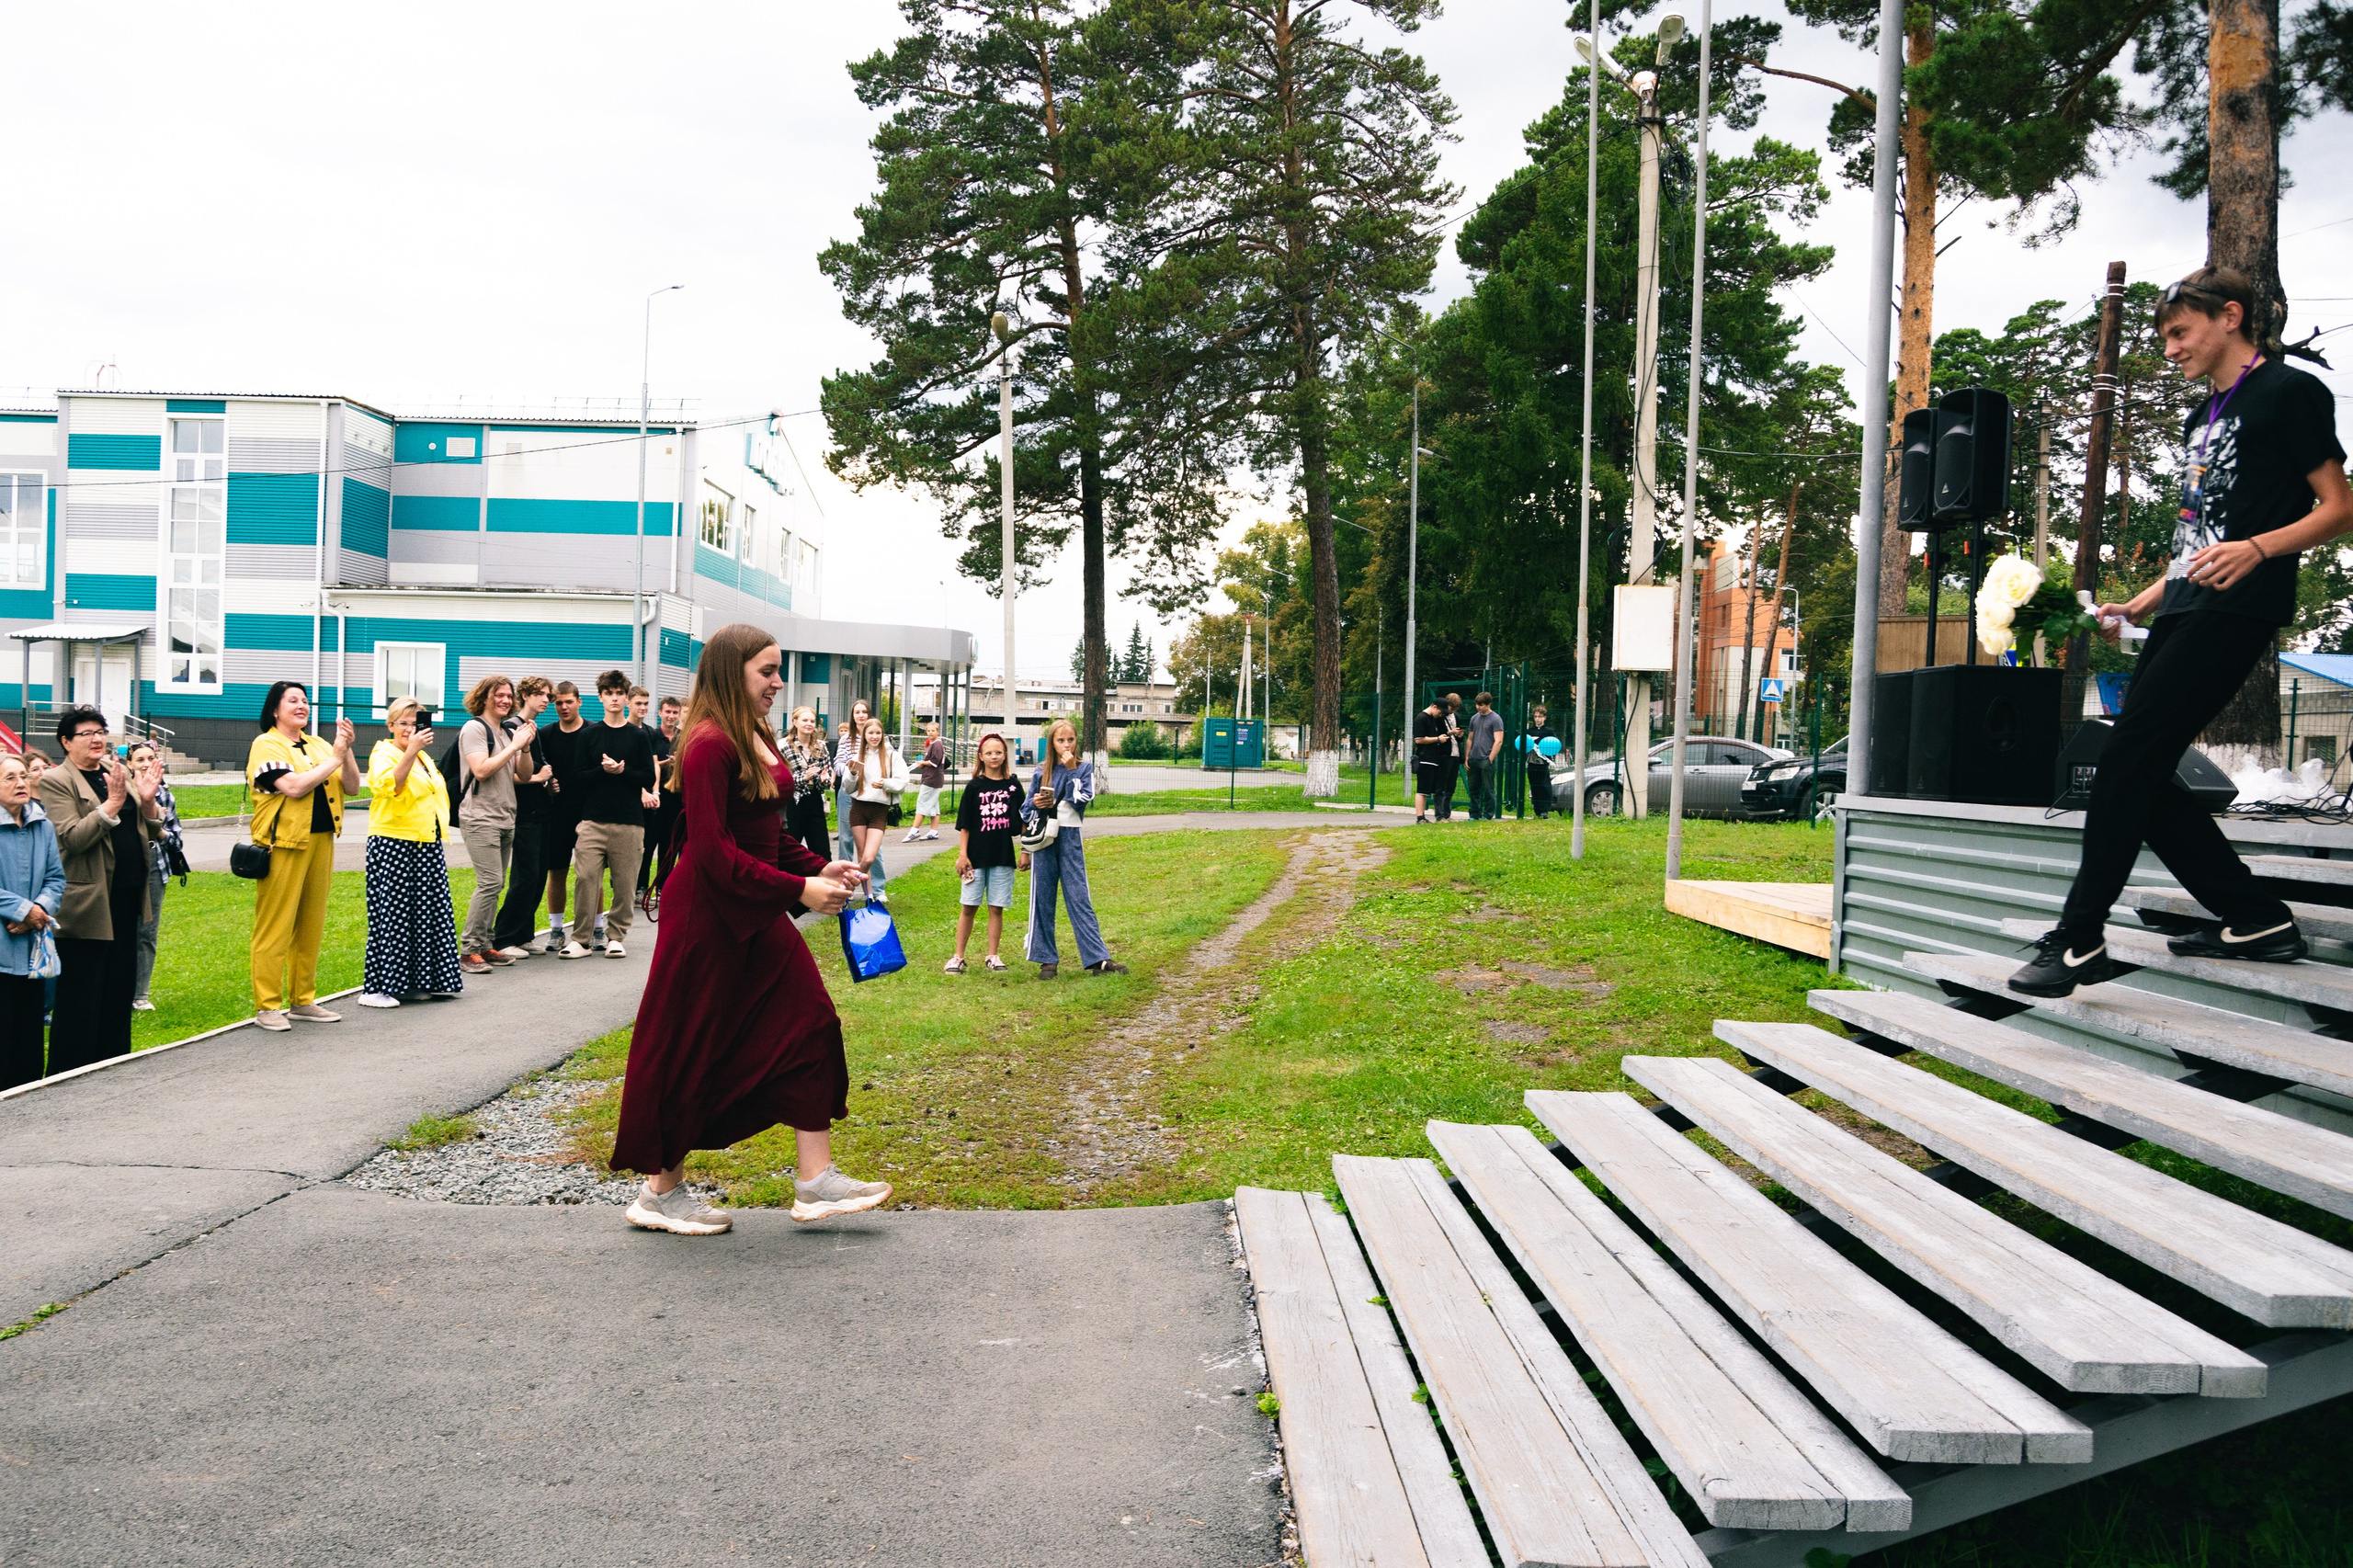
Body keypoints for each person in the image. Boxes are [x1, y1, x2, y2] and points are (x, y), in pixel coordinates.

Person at [2011, 267, 2353, 996]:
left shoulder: (2291, 392)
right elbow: (2198, 538)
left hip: (2241, 605)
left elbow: (2338, 507)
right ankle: (2254, 916)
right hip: (2186, 604)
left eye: (2179, 332)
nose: (2170, 350)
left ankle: (2078, 939)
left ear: (2230, 317)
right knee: (2136, 766)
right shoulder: (2205, 417)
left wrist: (2260, 548)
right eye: (2165, 337)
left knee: (2129, 757)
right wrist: (2143, 601)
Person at [614, 621, 890, 1234]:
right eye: (766, 670)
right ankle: (660, 1191)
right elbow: (714, 852)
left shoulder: (756, 732)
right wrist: (800, 891)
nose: (778, 681)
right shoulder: (709, 742)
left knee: (811, 1019)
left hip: (753, 910)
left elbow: (767, 836)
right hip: (706, 917)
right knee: (690, 1045)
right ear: (731, 669)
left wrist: (820, 865)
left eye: (778, 669)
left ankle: (815, 1182)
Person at [42, 708, 163, 1066]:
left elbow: (149, 828)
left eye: (101, 731)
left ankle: (113, 1064)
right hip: (88, 901)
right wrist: (111, 804)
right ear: (66, 742)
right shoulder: (56, 781)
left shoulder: (116, 771)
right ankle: (70, 1069)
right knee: (81, 992)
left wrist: (147, 799)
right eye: (86, 733)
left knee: (118, 987)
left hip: (126, 895)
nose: (97, 739)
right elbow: (72, 838)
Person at [245, 682, 360, 1032]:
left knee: (311, 924)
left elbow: (353, 787)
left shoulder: (318, 744)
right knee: (276, 926)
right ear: (275, 710)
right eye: (292, 700)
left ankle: (302, 1000)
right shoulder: (266, 744)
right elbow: (294, 787)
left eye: (305, 701)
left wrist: (347, 750)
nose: (302, 706)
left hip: (321, 840)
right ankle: (267, 1006)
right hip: (284, 843)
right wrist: (335, 758)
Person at [358, 697, 462, 1008]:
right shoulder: (384, 753)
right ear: (390, 726)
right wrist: (413, 750)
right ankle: (377, 987)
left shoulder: (424, 759)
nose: (409, 729)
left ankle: (418, 981)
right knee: (393, 917)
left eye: (415, 724)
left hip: (425, 843)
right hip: (394, 843)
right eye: (402, 723)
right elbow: (388, 786)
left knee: (425, 915)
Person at [560, 670, 656, 960]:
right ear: (600, 697)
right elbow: (576, 777)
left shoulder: (639, 737)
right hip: (593, 821)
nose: (614, 698)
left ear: (626, 697)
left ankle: (616, 937)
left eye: (619, 693)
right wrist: (602, 771)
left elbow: (648, 775)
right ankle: (581, 939)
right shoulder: (589, 735)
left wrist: (623, 770)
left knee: (625, 885)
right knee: (586, 877)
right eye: (609, 693)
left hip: (630, 822)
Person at [1023, 718, 1127, 979]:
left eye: (1070, 740)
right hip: (1045, 839)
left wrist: (1070, 771)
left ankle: (1097, 959)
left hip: (1069, 835)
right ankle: (1046, 958)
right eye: (1061, 740)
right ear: (1052, 743)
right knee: (1042, 897)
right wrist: (1036, 803)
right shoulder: (1041, 770)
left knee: (1078, 896)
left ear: (1076, 741)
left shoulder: (1083, 767)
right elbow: (1024, 811)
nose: (1066, 744)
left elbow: (1082, 798)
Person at [454, 675, 541, 976]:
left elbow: (526, 776)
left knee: (497, 883)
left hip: (506, 816)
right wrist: (513, 744)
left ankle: (485, 943)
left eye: (508, 696)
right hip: (480, 817)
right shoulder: (474, 728)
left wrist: (525, 747)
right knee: (490, 882)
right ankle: (468, 950)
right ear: (484, 697)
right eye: (498, 695)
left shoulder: (506, 731)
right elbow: (481, 770)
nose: (505, 700)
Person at [0, 753, 63, 1089]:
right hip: (2, 946)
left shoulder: (43, 824)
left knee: (28, 1035)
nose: (21, 782)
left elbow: (56, 878)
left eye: (23, 776)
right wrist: (23, 910)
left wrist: (38, 908)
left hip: (32, 949)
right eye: (10, 777)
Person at [492, 676, 558, 960]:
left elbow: (536, 770)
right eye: (540, 694)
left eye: (548, 695)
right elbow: (507, 774)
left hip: (541, 811)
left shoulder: (534, 729)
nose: (546, 699)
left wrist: (547, 782)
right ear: (525, 696)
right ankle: (504, 937)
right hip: (521, 814)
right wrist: (536, 778)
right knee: (525, 876)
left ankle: (524, 935)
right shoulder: (511, 727)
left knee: (538, 875)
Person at [947, 732, 1021, 974]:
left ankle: (992, 955)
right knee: (969, 906)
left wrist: (1028, 847)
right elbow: (965, 824)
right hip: (975, 858)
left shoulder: (1013, 785)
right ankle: (958, 956)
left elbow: (1023, 820)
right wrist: (962, 855)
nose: (994, 756)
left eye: (998, 752)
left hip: (1002, 856)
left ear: (1005, 754)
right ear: (981, 756)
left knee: (996, 907)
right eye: (989, 753)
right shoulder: (974, 786)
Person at [125, 741, 187, 1010]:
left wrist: (158, 831)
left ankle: (141, 995)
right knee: (120, 929)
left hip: (154, 866)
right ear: (129, 764)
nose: (146, 763)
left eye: (151, 758)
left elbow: (176, 841)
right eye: (140, 759)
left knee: (146, 932)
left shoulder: (165, 796)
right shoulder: (121, 793)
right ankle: (118, 989)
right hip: (123, 867)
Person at [536, 681, 592, 951]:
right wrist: (547, 784)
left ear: (579, 701)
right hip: (556, 813)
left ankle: (597, 927)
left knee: (589, 873)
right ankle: (556, 930)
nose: (564, 707)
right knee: (555, 872)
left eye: (568, 701)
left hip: (587, 813)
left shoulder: (593, 731)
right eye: (558, 703)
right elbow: (540, 769)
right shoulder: (546, 734)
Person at [844, 715, 910, 904]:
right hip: (859, 808)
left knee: (869, 858)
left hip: (879, 811)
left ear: (883, 735)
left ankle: (847, 886)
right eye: (870, 733)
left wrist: (885, 783)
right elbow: (848, 788)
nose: (874, 737)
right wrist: (853, 774)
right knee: (861, 853)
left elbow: (902, 781)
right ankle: (869, 896)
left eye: (878, 733)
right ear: (864, 735)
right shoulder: (857, 756)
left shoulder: (892, 756)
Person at [832, 698, 890, 903]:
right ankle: (845, 886)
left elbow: (889, 761)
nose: (861, 715)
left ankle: (877, 888)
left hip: (872, 796)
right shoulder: (846, 739)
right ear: (853, 715)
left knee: (872, 846)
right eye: (857, 712)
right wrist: (850, 770)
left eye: (864, 711)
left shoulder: (878, 735)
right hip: (849, 793)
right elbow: (837, 763)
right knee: (846, 839)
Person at [638, 693, 685, 911]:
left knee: (669, 846)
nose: (671, 716)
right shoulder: (650, 736)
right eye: (667, 712)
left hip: (676, 800)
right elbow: (649, 764)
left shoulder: (682, 737)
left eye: (675, 713)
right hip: (654, 799)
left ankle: (662, 888)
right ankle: (640, 889)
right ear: (660, 713)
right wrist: (668, 762)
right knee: (648, 845)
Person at [781, 705, 836, 867]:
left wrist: (825, 779)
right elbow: (781, 779)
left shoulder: (821, 746)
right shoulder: (785, 746)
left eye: (812, 721)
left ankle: (825, 888)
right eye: (804, 720)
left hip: (814, 800)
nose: (809, 724)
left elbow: (825, 779)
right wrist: (803, 778)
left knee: (822, 851)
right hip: (793, 802)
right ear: (795, 722)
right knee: (790, 849)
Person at [1465, 691, 1505, 820]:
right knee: (1473, 789)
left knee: (1488, 789)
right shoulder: (1474, 718)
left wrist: (1490, 758)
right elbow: (1470, 738)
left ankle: (1487, 815)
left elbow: (1498, 740)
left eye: (1481, 705)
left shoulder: (1496, 719)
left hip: (1486, 759)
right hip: (1474, 758)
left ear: (1488, 704)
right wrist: (1467, 757)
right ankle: (1474, 814)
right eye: (1477, 704)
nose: (1478, 707)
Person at [906, 721, 947, 843]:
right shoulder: (931, 744)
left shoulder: (937, 744)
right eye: (928, 730)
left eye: (933, 730)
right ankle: (933, 831)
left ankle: (915, 830)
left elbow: (935, 762)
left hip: (932, 779)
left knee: (922, 802)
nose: (930, 733)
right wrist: (923, 764)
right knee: (933, 805)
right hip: (931, 777)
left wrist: (923, 763)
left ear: (937, 732)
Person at [1411, 698, 1448, 824]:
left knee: (1427, 791)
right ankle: (1420, 817)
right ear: (1434, 706)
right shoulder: (1421, 718)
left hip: (1433, 759)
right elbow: (1419, 739)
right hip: (1424, 758)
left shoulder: (1433, 719)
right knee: (1422, 790)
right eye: (1440, 712)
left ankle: (1423, 817)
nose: (1441, 715)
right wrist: (1437, 739)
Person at [1523, 704, 1559, 819]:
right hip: (1532, 763)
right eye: (1536, 717)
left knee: (1544, 786)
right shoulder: (1530, 731)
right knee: (1534, 786)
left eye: (1540, 717)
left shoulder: (1549, 732)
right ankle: (1537, 809)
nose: (1537, 719)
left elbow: (1553, 746)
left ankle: (1545, 810)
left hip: (1542, 764)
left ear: (1544, 718)